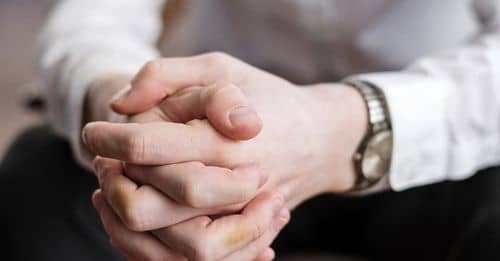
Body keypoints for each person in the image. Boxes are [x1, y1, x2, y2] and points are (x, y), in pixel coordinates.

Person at [3, 0, 500, 260]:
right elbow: (92, 17)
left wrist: (345, 127)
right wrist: (134, 112)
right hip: (217, 144)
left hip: (433, 142)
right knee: (40, 180)